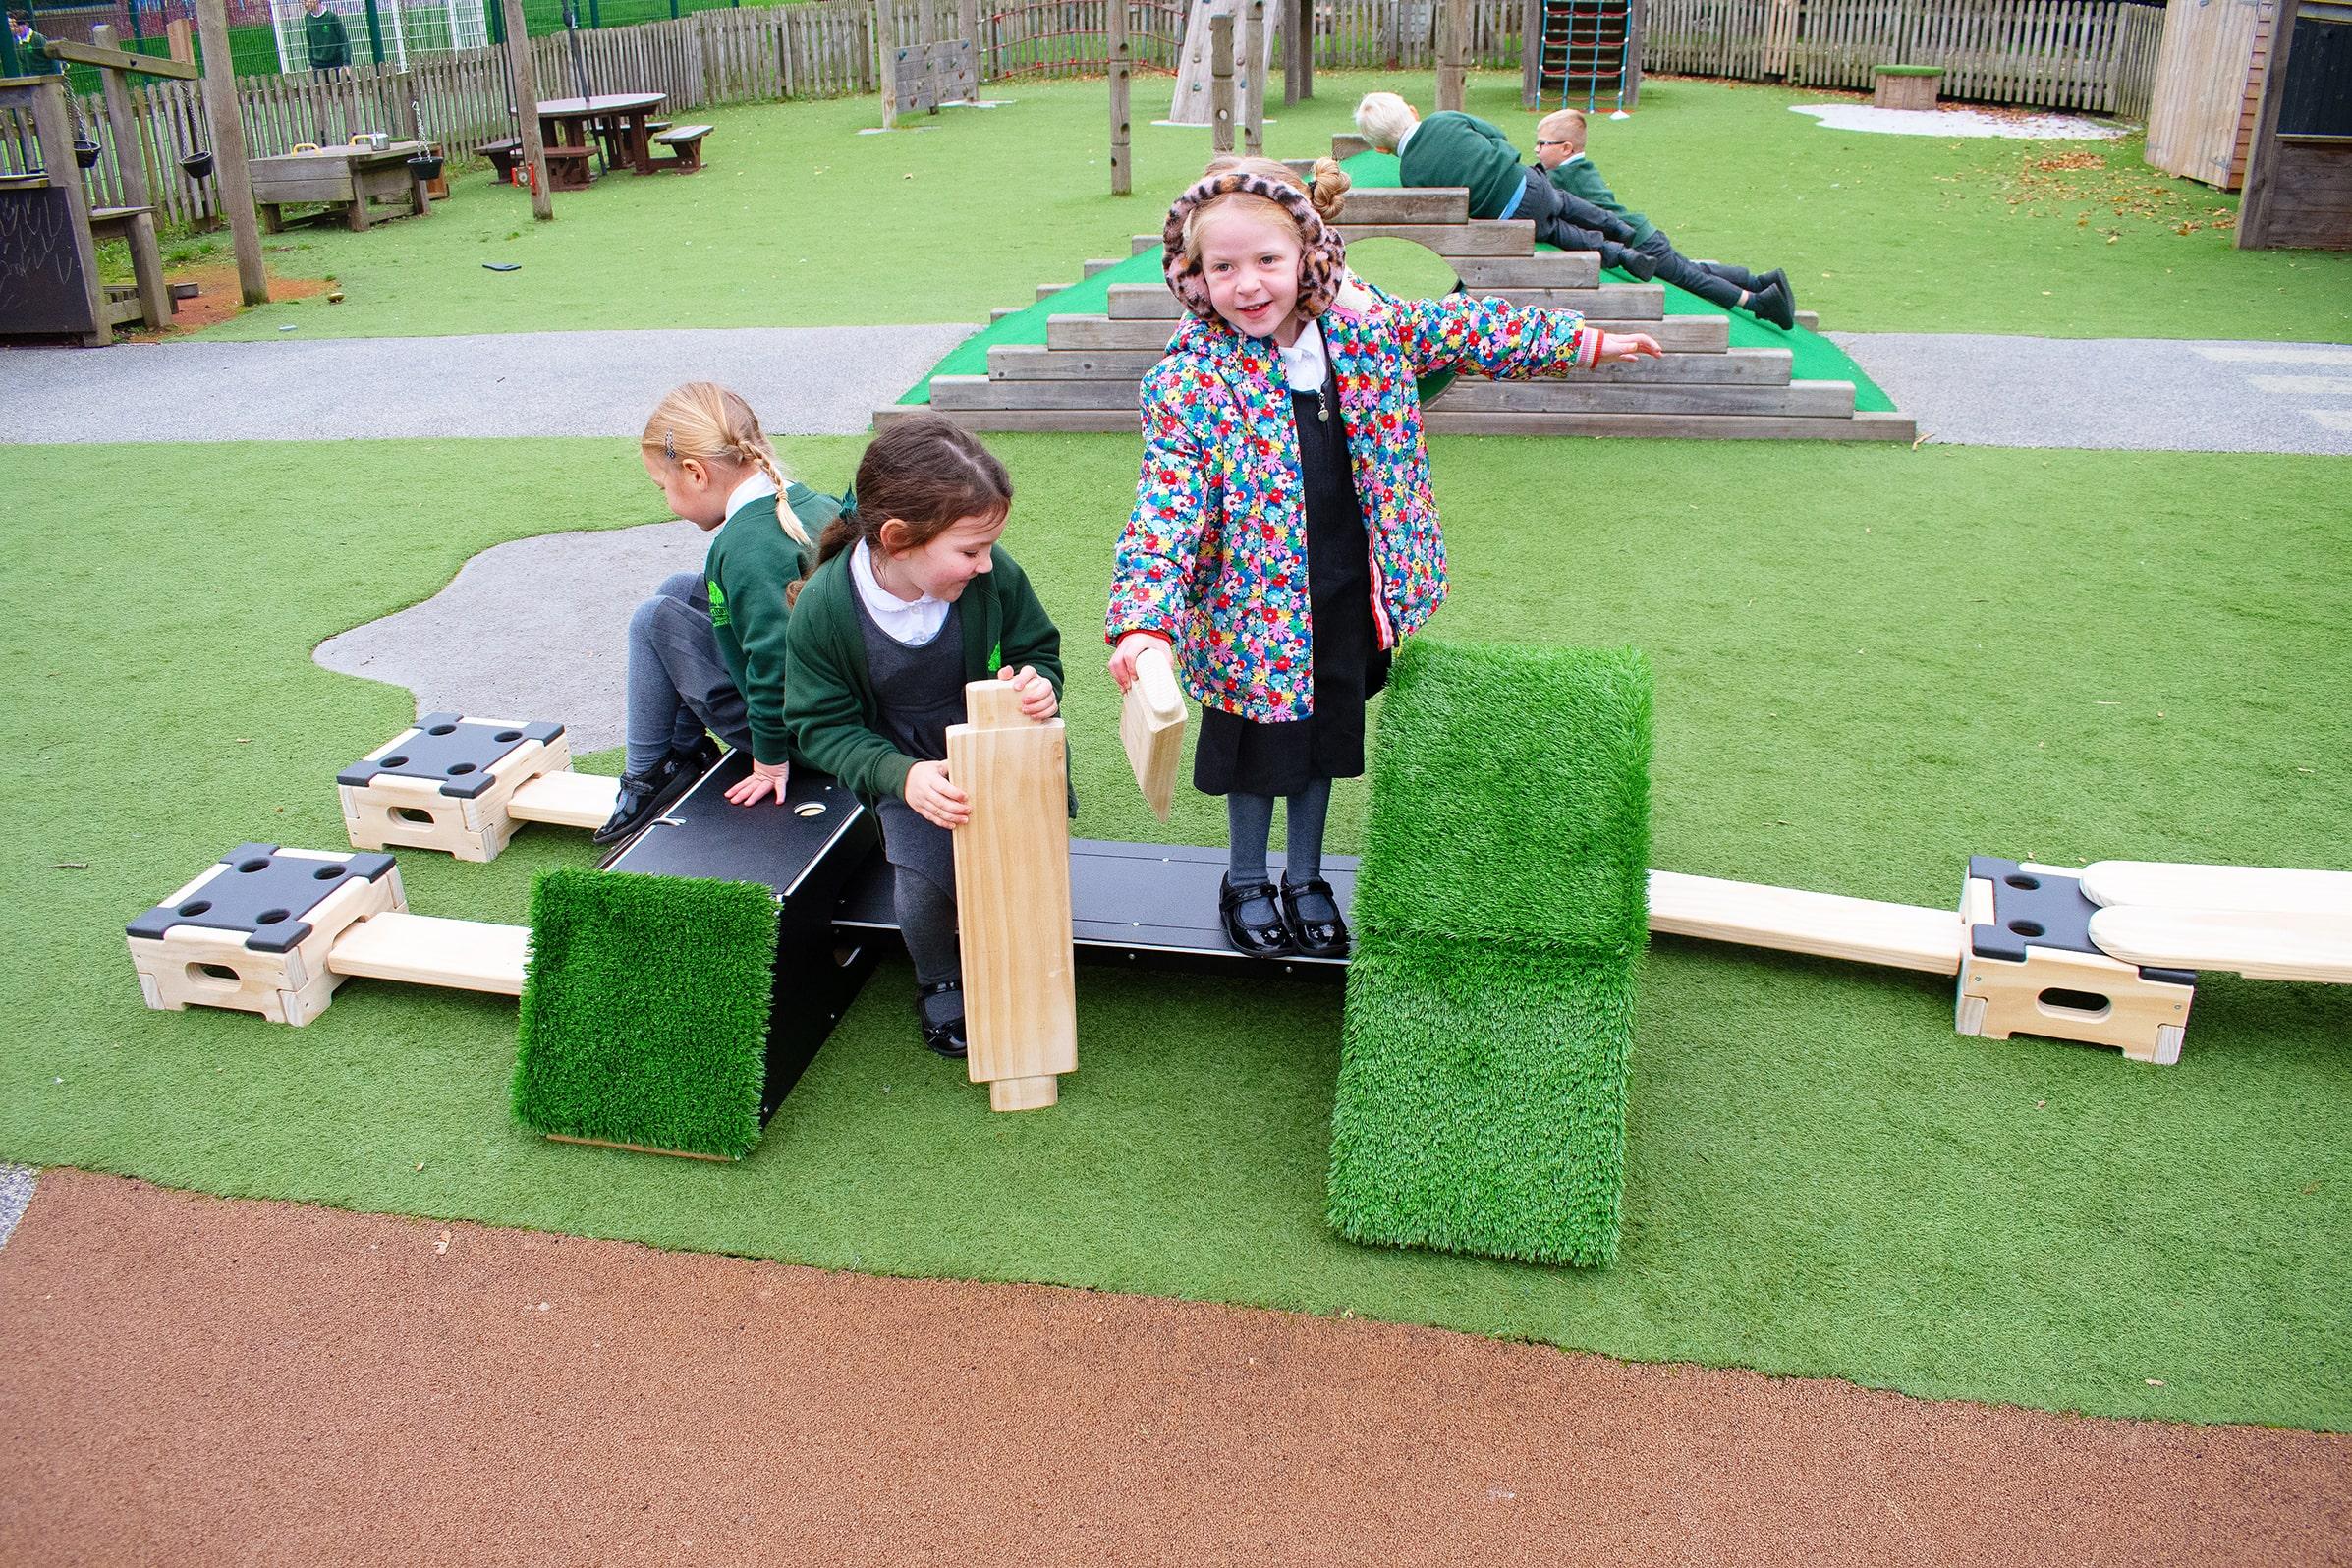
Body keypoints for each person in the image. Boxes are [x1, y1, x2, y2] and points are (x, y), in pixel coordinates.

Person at [1105, 157, 1661, 961]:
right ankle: (1247, 880)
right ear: (1194, 276)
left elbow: (1466, 330)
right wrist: (1143, 621)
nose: (1249, 284)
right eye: (1223, 267)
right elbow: (1164, 512)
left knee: (1326, 742)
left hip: (1344, 594)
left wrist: (1586, 341)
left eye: (1267, 261)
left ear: (1309, 258)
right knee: (1263, 754)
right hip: (1250, 614)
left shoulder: (1362, 331)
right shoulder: (1190, 382)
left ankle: (1305, 876)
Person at [785, 415, 1064, 1061]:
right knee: (925, 886)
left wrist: (1037, 683)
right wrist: (900, 778)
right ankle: (940, 978)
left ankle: (1019, 962)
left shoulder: (993, 577)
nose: (986, 563)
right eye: (969, 551)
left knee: (1028, 869)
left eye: (989, 547)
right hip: (907, 767)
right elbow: (819, 726)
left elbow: (1038, 648)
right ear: (898, 539)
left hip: (998, 753)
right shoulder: (828, 610)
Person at [596, 381, 841, 846]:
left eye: (662, 485)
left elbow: (777, 664)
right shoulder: (812, 504)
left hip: (804, 739)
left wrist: (769, 759)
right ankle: (682, 756)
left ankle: (646, 777)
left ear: (694, 472)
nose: (666, 500)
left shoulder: (747, 547)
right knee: (680, 592)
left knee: (654, 620)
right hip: (837, 708)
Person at [1352, 90, 1658, 281]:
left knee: (1559, 233)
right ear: (1414, 111)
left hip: (1508, 216)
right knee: (1564, 202)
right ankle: (1619, 227)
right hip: (1527, 182)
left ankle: (1618, 254)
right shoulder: (1445, 119)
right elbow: (1496, 134)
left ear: (1381, 149)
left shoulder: (1410, 174)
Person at [1538, 108, 1794, 330]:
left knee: (1690, 278)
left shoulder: (1563, 176)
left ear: (1565, 148)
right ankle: (1758, 281)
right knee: (1691, 269)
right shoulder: (1576, 168)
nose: (1537, 150)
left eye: (1542, 144)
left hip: (1640, 242)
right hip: (1644, 233)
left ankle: (1757, 302)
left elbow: (1536, 190)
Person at [302, 0, 351, 79]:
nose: (304, 3)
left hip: (335, 63)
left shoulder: (332, 17)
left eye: (306, 0)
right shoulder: (307, 18)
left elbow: (344, 40)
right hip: (317, 65)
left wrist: (346, 63)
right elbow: (310, 42)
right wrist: (311, 63)